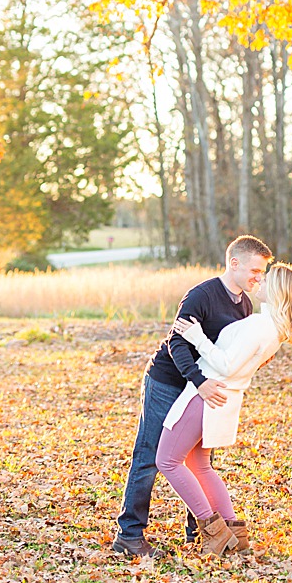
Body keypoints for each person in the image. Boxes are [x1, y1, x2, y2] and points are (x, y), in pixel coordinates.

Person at [111, 235, 272, 557]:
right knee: (150, 457)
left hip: (200, 390)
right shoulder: (202, 295)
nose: (259, 277)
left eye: (262, 272)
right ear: (235, 263)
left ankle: (200, 533)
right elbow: (177, 341)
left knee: (197, 461)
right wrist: (198, 381)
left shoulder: (245, 305)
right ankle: (129, 535)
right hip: (168, 382)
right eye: (255, 270)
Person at [157, 261, 292, 555]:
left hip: (207, 393)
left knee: (167, 461)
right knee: (200, 465)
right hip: (222, 398)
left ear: (279, 291)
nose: (262, 282)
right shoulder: (271, 327)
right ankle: (234, 534)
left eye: (269, 280)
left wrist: (197, 338)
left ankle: (213, 532)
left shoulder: (261, 326)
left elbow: (227, 365)